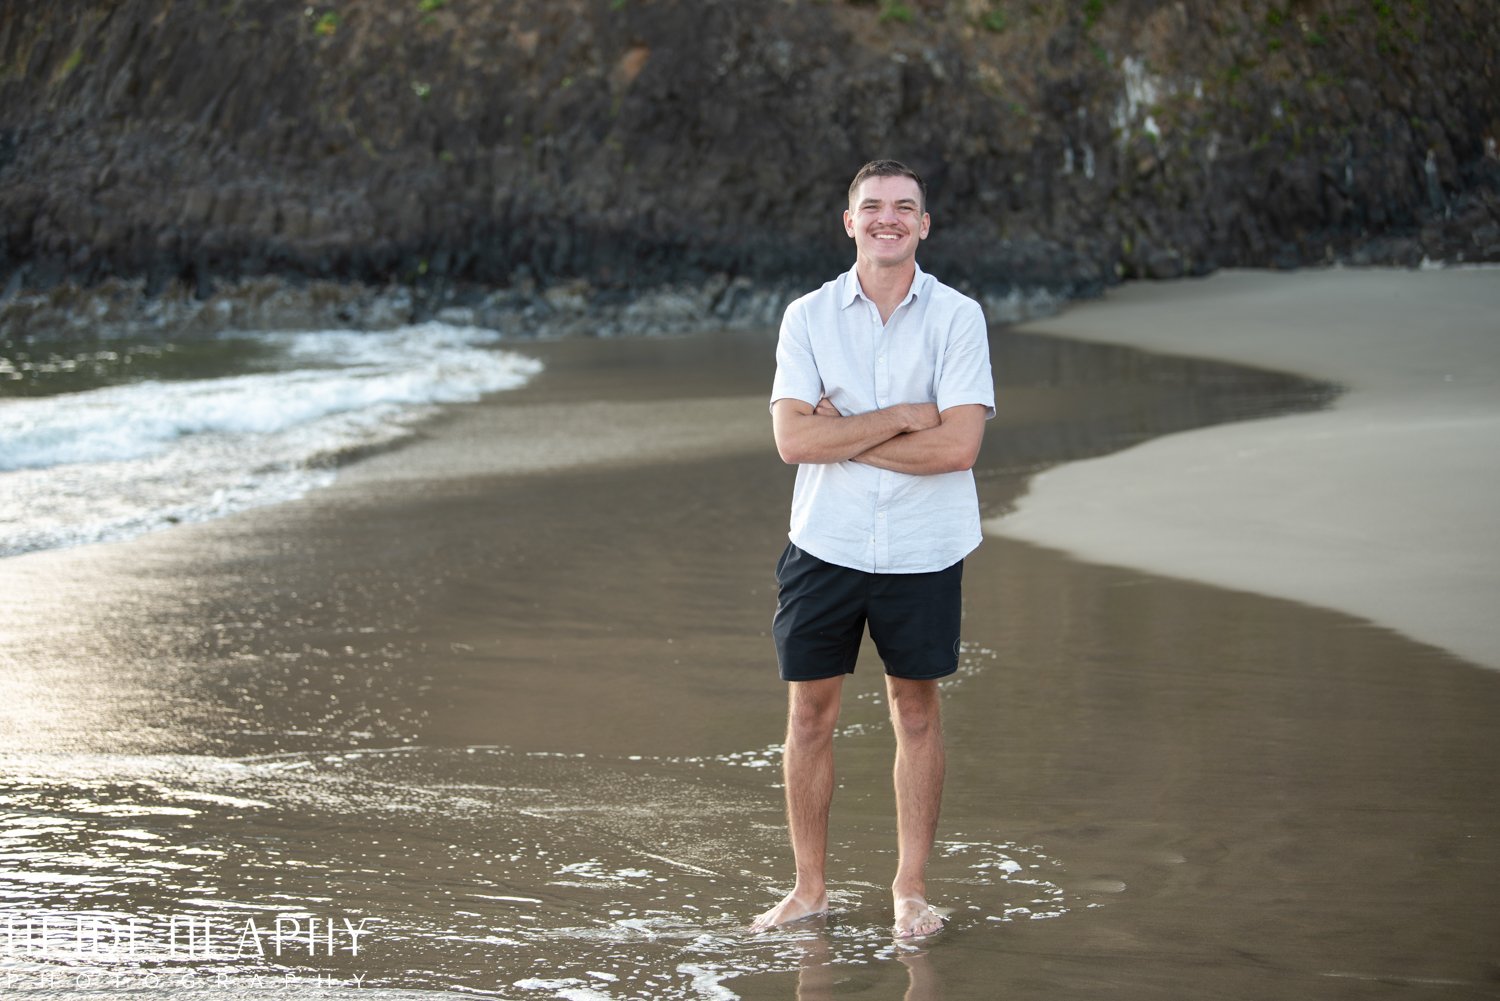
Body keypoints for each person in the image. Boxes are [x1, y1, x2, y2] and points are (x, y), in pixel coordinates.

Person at [752, 160, 995, 939]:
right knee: (809, 715)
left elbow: (958, 447)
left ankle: (910, 889)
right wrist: (900, 416)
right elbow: (793, 439)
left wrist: (845, 430)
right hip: (826, 542)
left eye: (905, 207)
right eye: (872, 206)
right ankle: (810, 888)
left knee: (916, 711)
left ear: (925, 224)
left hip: (925, 546)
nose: (888, 217)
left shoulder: (958, 318)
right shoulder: (808, 317)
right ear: (848, 221)